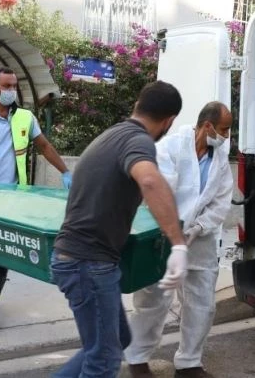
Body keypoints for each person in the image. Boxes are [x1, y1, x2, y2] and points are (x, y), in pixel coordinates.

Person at [51, 80, 189, 378]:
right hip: (87, 263)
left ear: (137, 105)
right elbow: (150, 181)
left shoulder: (113, 134)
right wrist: (178, 243)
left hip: (78, 259)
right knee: (103, 359)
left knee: (116, 342)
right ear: (169, 121)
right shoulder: (138, 142)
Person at [0, 66, 72, 332]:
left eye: (14, 86)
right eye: (6, 86)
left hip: (13, 197)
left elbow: (43, 145)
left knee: (2, 252)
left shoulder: (25, 118)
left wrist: (65, 171)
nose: (11, 91)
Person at [125, 102, 234, 378]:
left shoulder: (220, 156)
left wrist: (197, 227)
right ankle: (137, 360)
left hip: (201, 239)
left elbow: (222, 200)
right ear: (207, 126)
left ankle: (189, 363)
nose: (227, 136)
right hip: (163, 237)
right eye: (224, 129)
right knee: (153, 300)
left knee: (202, 303)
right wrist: (176, 230)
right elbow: (159, 192)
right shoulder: (170, 147)